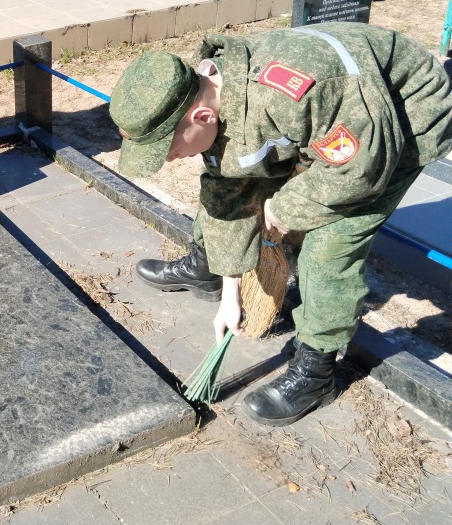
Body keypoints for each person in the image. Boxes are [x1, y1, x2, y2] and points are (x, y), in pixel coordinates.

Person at [110, 23, 451, 426]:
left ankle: (316, 372)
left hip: (399, 117)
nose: (169, 160)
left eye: (169, 149)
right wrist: (231, 292)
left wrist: (288, 208)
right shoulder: (216, 94)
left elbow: (358, 171)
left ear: (202, 115)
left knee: (331, 241)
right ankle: (208, 271)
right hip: (334, 117)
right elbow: (228, 192)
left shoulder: (297, 93)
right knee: (229, 183)